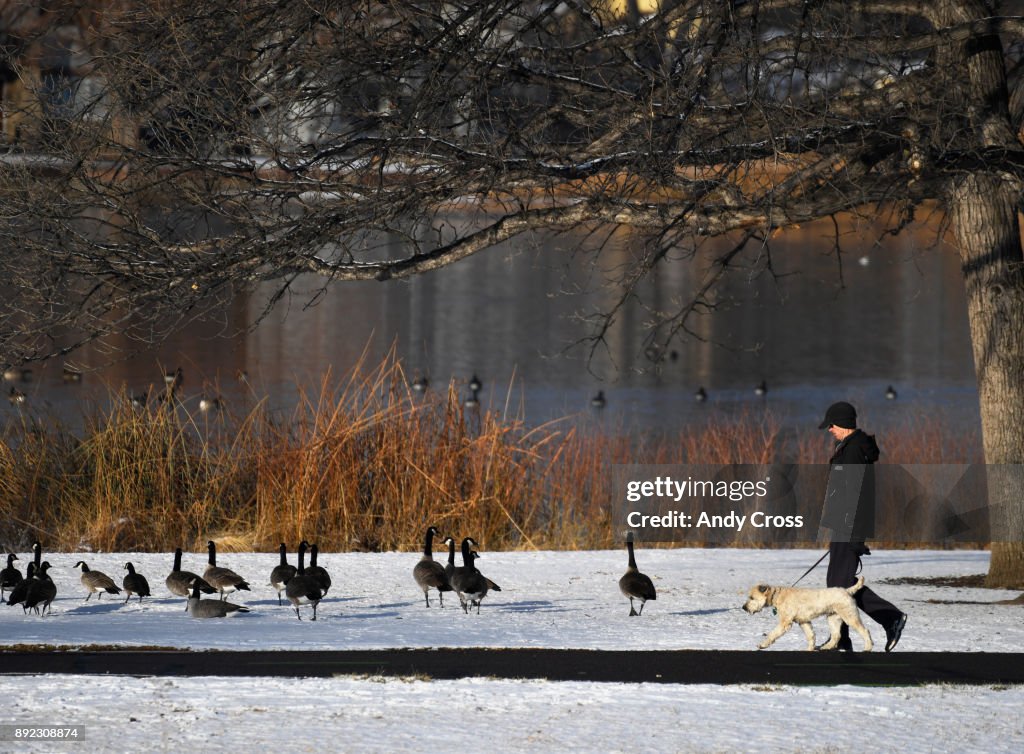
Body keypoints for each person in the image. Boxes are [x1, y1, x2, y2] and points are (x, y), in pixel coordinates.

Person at [818, 401, 907, 652]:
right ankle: (841, 639)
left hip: (849, 526)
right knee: (837, 584)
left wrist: (854, 534)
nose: (829, 430)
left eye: (832, 425)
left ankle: (890, 618)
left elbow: (856, 494)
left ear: (843, 425)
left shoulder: (854, 449)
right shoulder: (848, 445)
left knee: (841, 585)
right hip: (843, 525)